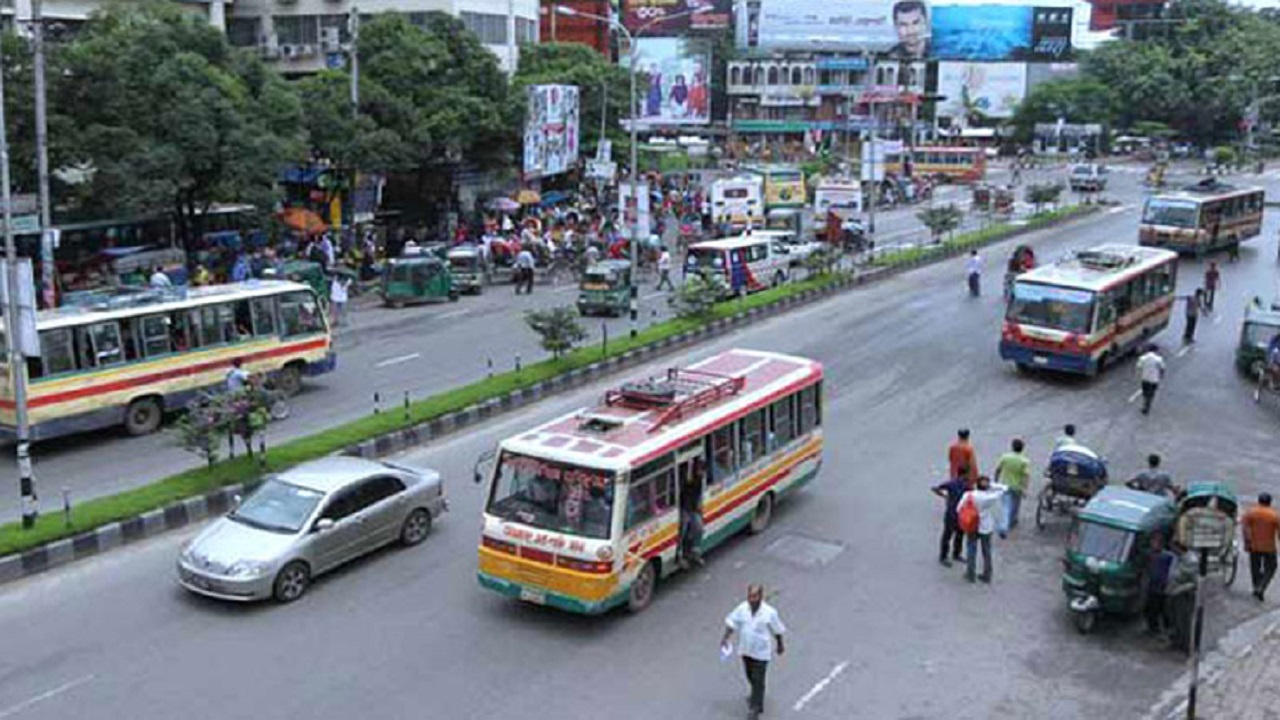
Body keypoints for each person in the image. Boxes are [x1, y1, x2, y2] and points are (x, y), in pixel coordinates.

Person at [721, 585, 786, 720]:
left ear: (761, 597)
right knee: (750, 675)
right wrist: (725, 638)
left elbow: (777, 630)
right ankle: (756, 697)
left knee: (758, 679)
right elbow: (732, 622)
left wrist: (780, 645)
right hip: (746, 650)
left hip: (761, 652)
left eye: (755, 596)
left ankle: (755, 708)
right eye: (750, 596)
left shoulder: (769, 612)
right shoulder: (742, 608)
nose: (751, 599)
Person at [958, 475, 1007, 583]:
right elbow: (1004, 488)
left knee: (971, 549)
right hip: (986, 526)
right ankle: (987, 574)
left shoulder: (968, 495)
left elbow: (959, 508)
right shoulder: (990, 497)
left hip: (972, 525)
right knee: (987, 551)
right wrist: (992, 485)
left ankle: (970, 574)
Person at [1243, 493, 1280, 602]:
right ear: (1270, 502)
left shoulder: (1251, 513)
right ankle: (1261, 586)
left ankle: (1256, 586)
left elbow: (1245, 528)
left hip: (1254, 546)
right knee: (1271, 567)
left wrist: (1247, 542)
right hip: (1269, 547)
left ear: (1259, 501)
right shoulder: (1274, 515)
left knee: (1255, 568)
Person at [932, 469, 971, 566]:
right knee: (956, 534)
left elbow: (936, 488)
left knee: (950, 535)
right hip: (960, 513)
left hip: (952, 512)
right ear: (965, 474)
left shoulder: (951, 483)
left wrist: (944, 496)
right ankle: (954, 554)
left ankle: (945, 555)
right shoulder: (967, 486)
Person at [993, 438, 1031, 537]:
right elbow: (1026, 475)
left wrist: (995, 481)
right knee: (1016, 504)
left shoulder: (1005, 457)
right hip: (1017, 486)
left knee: (1006, 507)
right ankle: (1013, 520)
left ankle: (1004, 527)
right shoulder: (1024, 461)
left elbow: (998, 469)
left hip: (1005, 485)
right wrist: (1024, 488)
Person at [1145, 533, 1178, 635]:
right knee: (1151, 608)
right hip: (1152, 585)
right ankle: (1153, 627)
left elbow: (1172, 570)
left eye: (1156, 542)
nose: (1154, 544)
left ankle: (1166, 628)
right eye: (1153, 542)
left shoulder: (1168, 556)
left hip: (1163, 586)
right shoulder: (1149, 554)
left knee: (1163, 608)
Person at [679, 461, 705, 568]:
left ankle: (695, 552)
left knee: (699, 527)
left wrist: (698, 507)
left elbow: (697, 496)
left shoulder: (699, 481)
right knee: (683, 530)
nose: (702, 474)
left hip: (693, 509)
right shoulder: (688, 480)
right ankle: (680, 555)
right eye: (700, 471)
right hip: (685, 508)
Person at [1136, 344, 1166, 415]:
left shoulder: (1142, 358)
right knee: (1151, 393)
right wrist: (1161, 375)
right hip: (1154, 379)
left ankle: (1145, 403)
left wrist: (1139, 375)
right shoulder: (1158, 359)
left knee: (1145, 392)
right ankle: (1147, 405)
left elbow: (1139, 367)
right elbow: (1162, 368)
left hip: (1145, 378)